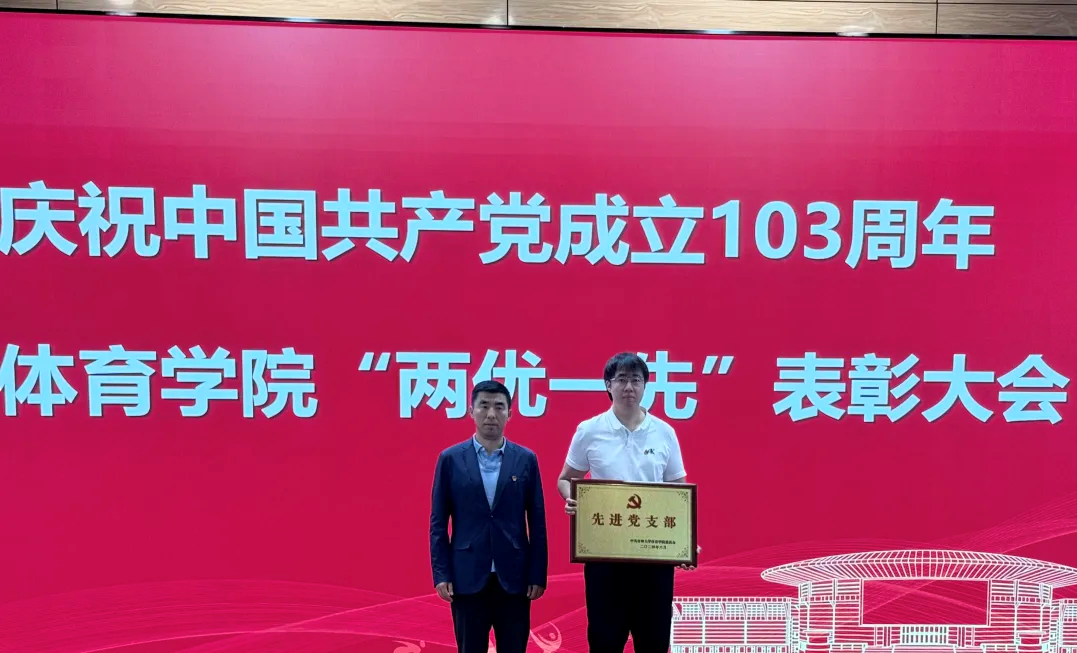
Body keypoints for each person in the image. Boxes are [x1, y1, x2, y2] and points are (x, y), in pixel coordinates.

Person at [557, 352, 695, 653]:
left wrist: (684, 541)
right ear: (608, 385)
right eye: (621, 380)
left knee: (654, 642)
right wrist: (571, 498)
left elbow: (678, 491)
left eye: (636, 380)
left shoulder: (664, 432)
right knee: (605, 641)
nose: (629, 387)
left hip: (654, 558)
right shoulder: (589, 430)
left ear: (645, 386)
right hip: (604, 555)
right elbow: (565, 479)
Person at [430, 379, 548, 653]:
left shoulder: (526, 459)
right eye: (483, 406)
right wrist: (441, 573)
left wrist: (537, 574)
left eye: (499, 407)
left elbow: (537, 522)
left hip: (514, 578)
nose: (491, 414)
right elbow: (438, 523)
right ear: (471, 411)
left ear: (510, 413)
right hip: (467, 576)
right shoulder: (450, 459)